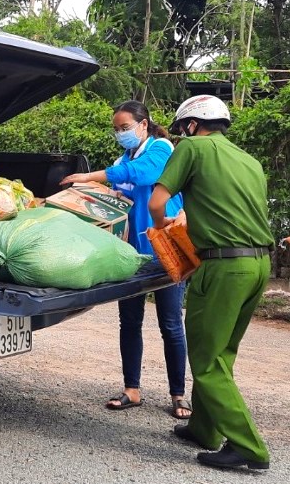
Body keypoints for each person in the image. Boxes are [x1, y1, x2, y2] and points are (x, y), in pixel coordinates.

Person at [149, 95, 273, 471]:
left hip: (221, 268)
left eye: (182, 127)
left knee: (204, 358)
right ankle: (204, 428)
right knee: (222, 351)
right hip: (259, 265)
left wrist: (164, 235)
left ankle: (249, 447)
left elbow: (158, 203)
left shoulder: (192, 147)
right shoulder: (249, 161)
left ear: (191, 124)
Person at [61, 100, 190, 420]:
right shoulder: (122, 159)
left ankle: (178, 394)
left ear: (144, 124)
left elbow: (145, 174)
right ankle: (132, 389)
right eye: (116, 130)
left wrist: (94, 174)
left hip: (165, 251)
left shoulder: (162, 148)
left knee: (171, 324)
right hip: (130, 255)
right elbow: (117, 201)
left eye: (125, 128)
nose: (120, 134)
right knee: (129, 322)